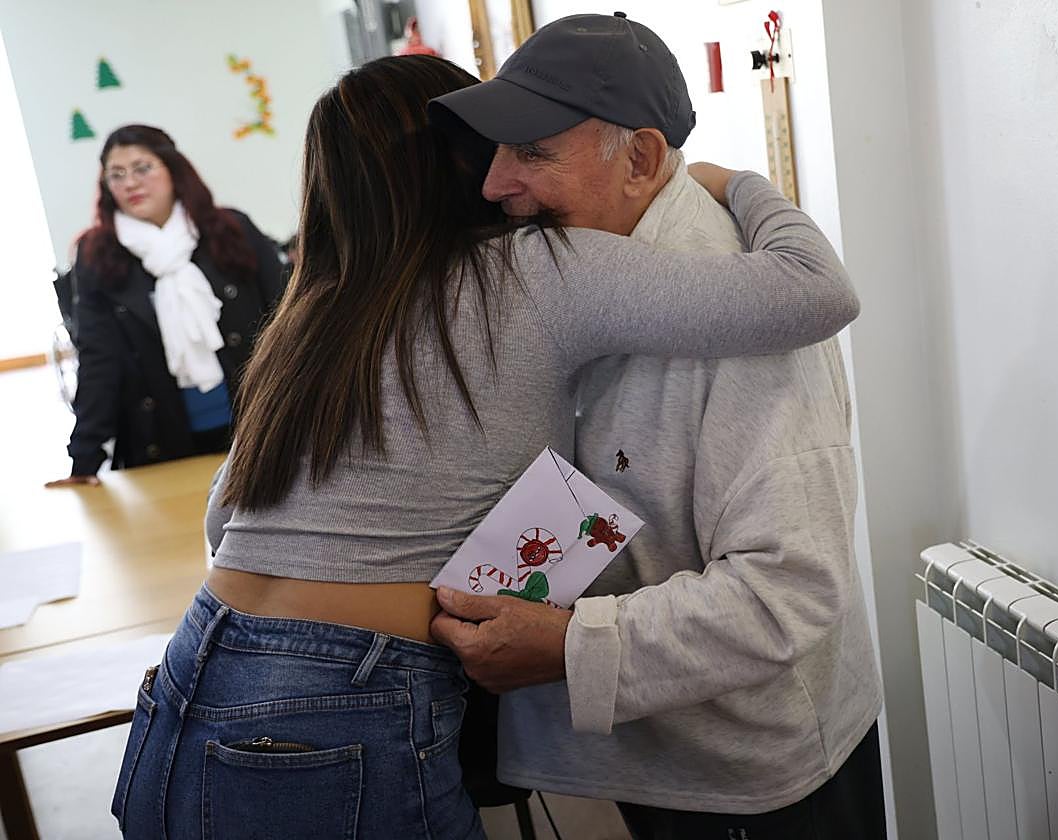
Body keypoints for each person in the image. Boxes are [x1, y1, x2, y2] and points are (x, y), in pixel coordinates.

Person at [112, 55, 857, 839]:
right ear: (459, 161)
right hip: (341, 699)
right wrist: (734, 180)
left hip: (191, 674)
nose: (507, 175)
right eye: (499, 145)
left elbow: (222, 518)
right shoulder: (533, 272)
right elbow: (816, 291)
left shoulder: (310, 316)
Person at [429, 13, 885, 839]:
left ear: (639, 159)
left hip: (749, 785)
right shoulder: (570, 267)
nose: (497, 185)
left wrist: (570, 646)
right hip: (645, 756)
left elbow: (787, 593)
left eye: (531, 152)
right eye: (496, 152)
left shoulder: (744, 319)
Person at [45, 124, 285, 487]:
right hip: (162, 441)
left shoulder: (230, 229)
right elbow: (98, 360)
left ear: (174, 170)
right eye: (117, 174)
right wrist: (84, 459)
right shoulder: (99, 255)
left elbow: (288, 317)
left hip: (259, 427)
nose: (130, 183)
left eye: (143, 168)